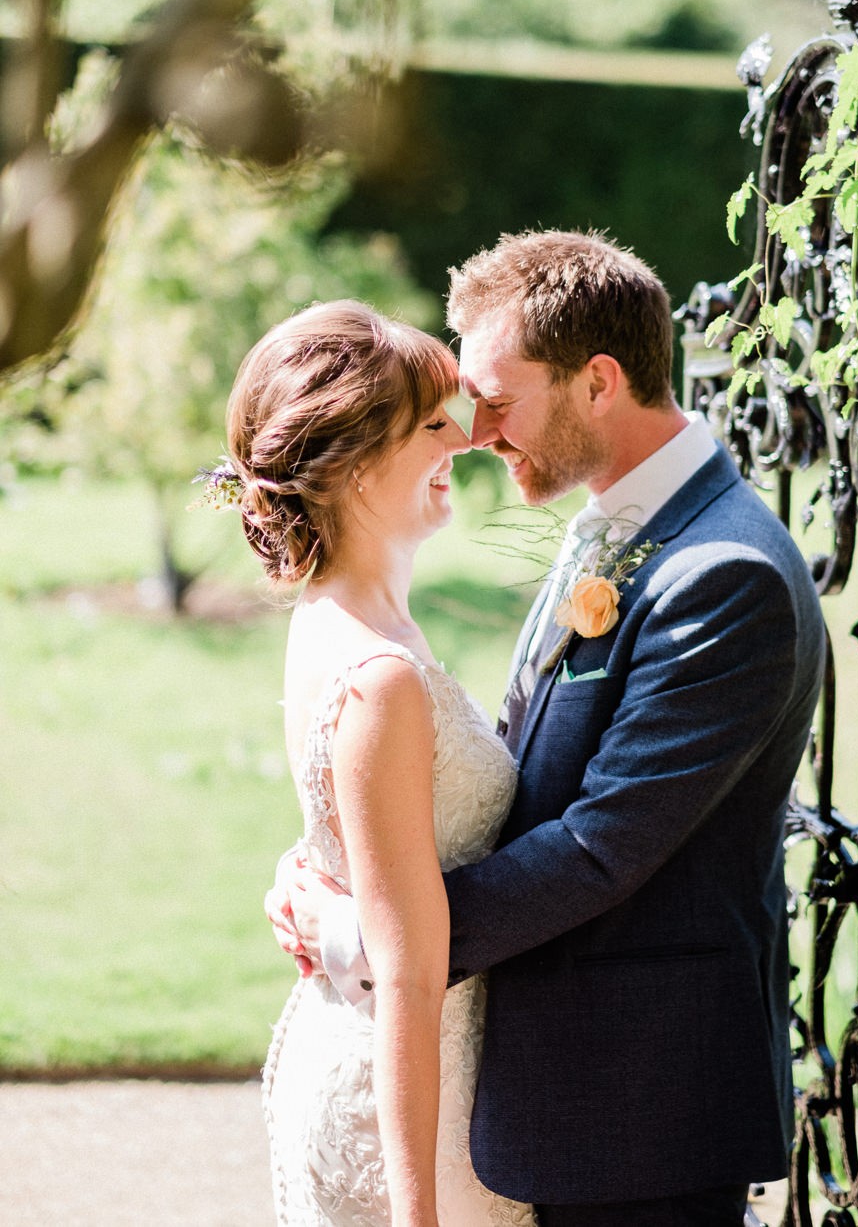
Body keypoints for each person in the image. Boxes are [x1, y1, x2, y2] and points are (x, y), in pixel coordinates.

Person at [269, 231, 827, 1226]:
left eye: (494, 398)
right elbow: (521, 768)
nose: (472, 433)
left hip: (640, 1108)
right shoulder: (610, 522)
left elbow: (599, 849)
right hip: (558, 1095)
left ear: (598, 382)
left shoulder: (724, 575)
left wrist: (372, 934)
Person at [224, 299, 536, 1226]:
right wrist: (417, 1214)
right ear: (357, 468)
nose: (466, 440)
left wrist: (311, 883)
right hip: (410, 1116)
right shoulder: (381, 676)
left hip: (374, 1059)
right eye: (433, 423)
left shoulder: (335, 619)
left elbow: (355, 829)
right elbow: (405, 974)